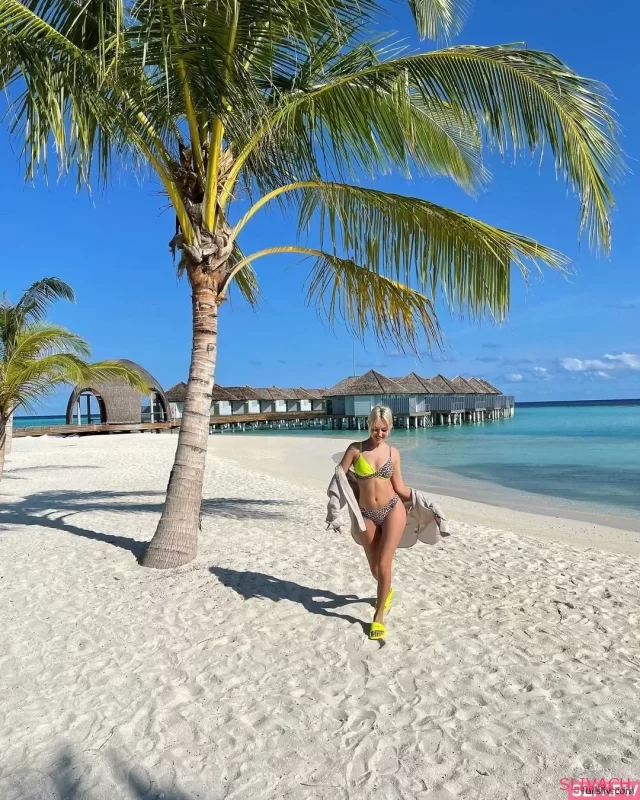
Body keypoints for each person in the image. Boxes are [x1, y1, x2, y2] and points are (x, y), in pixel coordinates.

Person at [339, 406, 412, 641]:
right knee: (374, 568)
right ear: (368, 425)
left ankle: (379, 615)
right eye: (375, 429)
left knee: (384, 563)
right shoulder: (355, 450)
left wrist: (424, 500)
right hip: (366, 513)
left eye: (384, 429)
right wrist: (333, 505)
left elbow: (400, 487)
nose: (379, 434)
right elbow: (339, 478)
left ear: (390, 428)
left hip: (392, 509)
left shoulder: (393, 453)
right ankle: (386, 591)